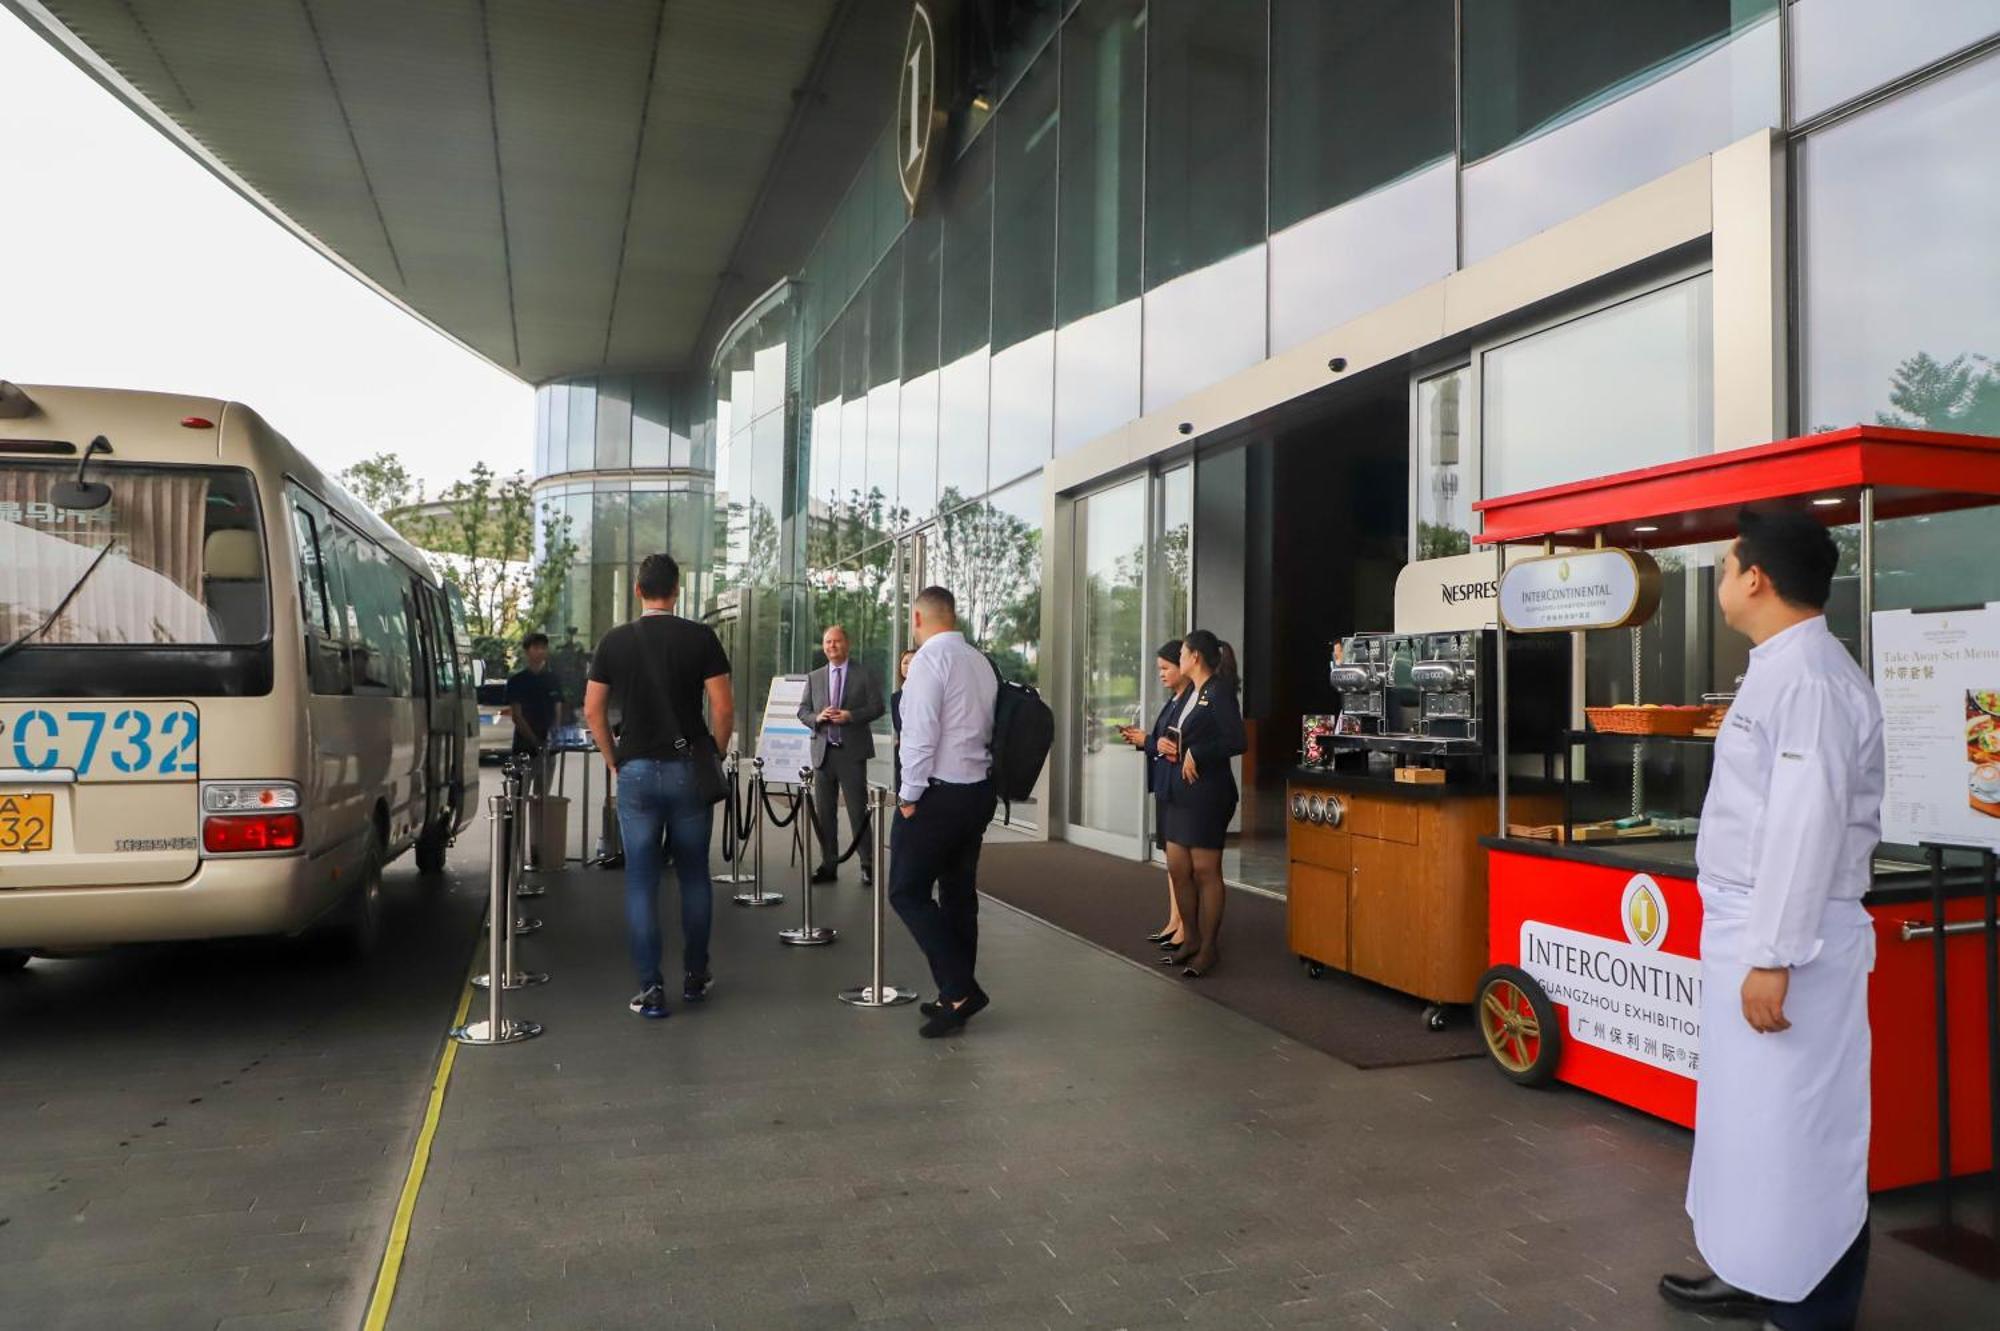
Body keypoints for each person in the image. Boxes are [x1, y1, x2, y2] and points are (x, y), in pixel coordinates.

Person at [1658, 506, 1882, 1331]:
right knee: (1748, 1125)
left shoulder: (1813, 678)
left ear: (1756, 576)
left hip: (1794, 942)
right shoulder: (1777, 666)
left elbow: (1804, 823)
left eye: (1722, 564)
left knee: (1800, 1131)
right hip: (1750, 932)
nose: (1718, 579)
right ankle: (1751, 1266)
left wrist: (1775, 953)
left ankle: (1813, 1302)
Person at [583, 553, 734, 1020]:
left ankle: (650, 989)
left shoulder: (614, 641)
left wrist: (613, 760)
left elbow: (593, 710)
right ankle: (695, 976)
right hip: (689, 767)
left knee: (641, 883)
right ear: (678, 590)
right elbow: (723, 708)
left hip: (636, 773)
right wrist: (717, 753)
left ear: (637, 590)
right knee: (693, 876)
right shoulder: (701, 638)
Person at [890, 586, 998, 1039]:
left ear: (918, 618)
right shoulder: (980, 662)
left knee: (906, 891)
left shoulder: (930, 662)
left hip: (937, 795)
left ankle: (960, 988)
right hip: (977, 792)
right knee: (958, 895)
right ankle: (953, 996)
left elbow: (918, 735)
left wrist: (908, 795)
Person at [1159, 630, 1244, 978]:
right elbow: (1187, 737)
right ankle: (1190, 938)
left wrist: (1200, 752)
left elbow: (1237, 739)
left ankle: (1208, 948)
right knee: (1178, 868)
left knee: (1205, 871)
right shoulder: (1192, 694)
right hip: (1182, 794)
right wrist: (1170, 746)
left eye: (1181, 653)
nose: (1178, 659)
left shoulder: (1219, 692)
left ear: (1195, 657)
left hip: (1208, 795)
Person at [798, 625, 886, 886]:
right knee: (825, 814)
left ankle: (867, 864)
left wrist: (851, 716)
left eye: (836, 641)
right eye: (827, 642)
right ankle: (828, 865)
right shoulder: (814, 677)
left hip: (851, 753)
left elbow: (878, 706)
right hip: (823, 755)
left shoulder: (864, 674)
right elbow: (802, 711)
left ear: (847, 644)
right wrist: (817, 718)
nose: (831, 646)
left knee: (858, 811)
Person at [1119, 640, 1190, 951]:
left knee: (1180, 862)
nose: (1161, 674)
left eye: (1166, 668)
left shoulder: (1190, 701)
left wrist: (1148, 740)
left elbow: (1170, 746)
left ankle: (1185, 924)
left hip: (1179, 788)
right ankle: (1175, 920)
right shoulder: (1174, 700)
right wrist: (1143, 740)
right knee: (1170, 861)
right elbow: (1161, 743)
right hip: (1165, 785)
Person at [506, 632, 563, 797]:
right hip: (524, 749)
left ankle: (539, 824)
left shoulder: (553, 679)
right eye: (536, 648)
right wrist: (535, 742)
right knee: (518, 798)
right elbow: (517, 715)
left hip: (548, 750)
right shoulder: (517, 681)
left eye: (543, 648)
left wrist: (552, 737)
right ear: (526, 651)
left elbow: (557, 709)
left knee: (542, 800)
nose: (540, 651)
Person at [890, 646, 916, 793]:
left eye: (913, 662)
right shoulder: (896, 698)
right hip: (902, 752)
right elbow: (898, 727)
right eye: (905, 662)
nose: (908, 666)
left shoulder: (927, 695)